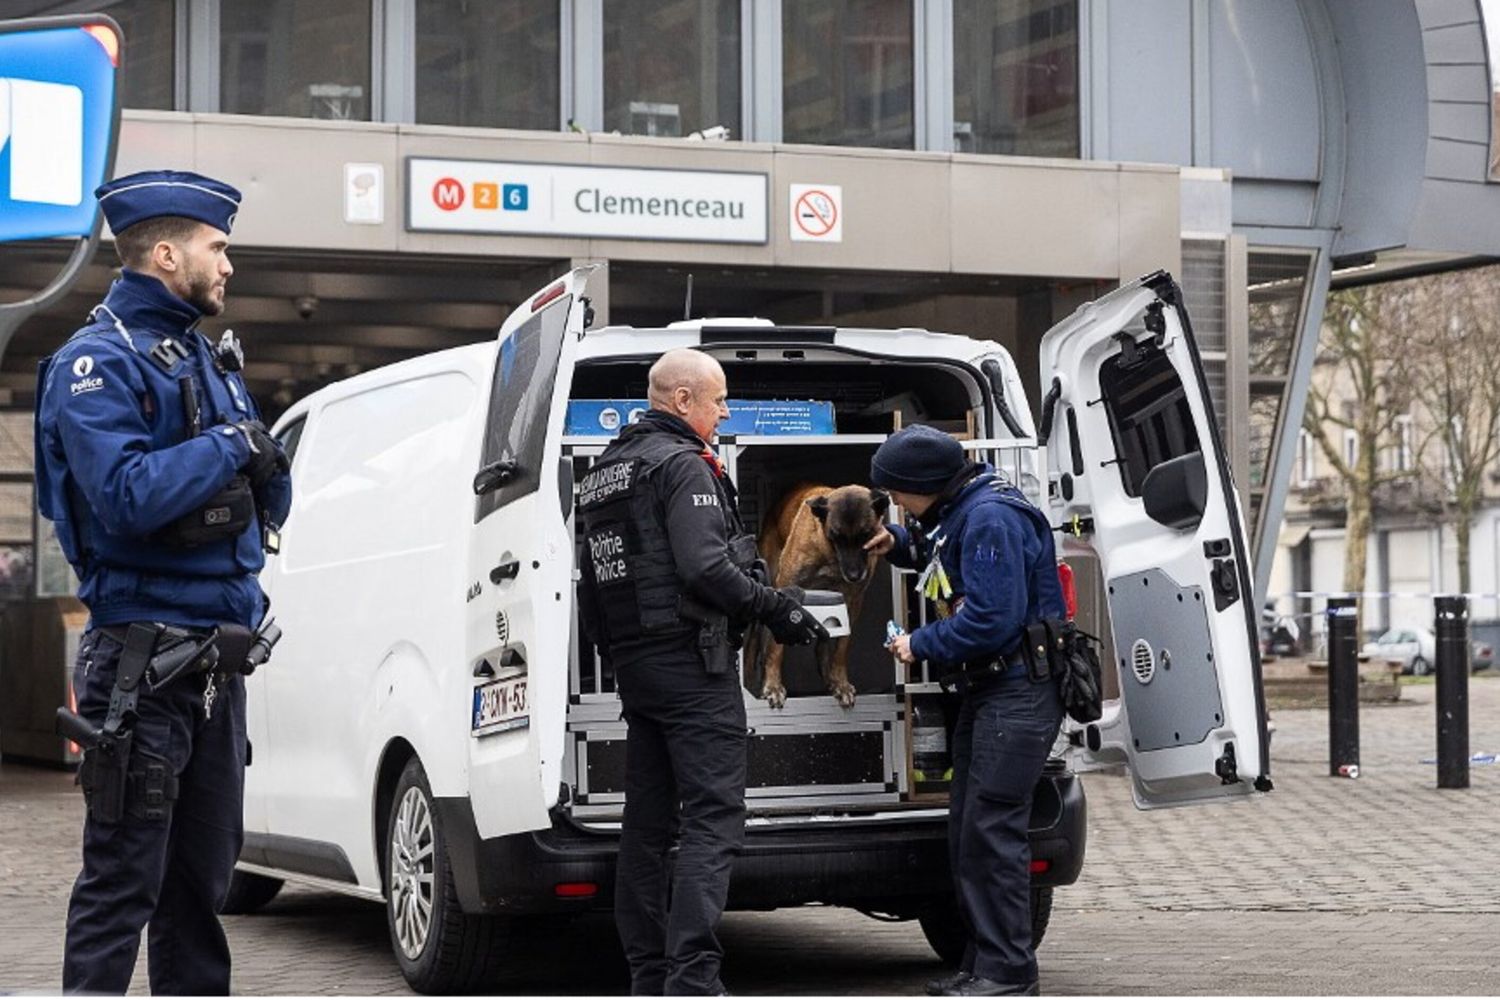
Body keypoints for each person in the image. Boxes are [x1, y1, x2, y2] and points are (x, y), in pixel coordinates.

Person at [35, 170, 292, 995]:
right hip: (141, 670)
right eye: (219, 248)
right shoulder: (93, 363)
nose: (228, 266)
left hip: (215, 669)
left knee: (198, 893)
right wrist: (231, 448)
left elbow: (261, 500)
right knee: (122, 887)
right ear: (168, 252)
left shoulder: (204, 357)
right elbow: (128, 495)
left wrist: (260, 457)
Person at [574, 348, 827, 995]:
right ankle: (692, 984)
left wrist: (619, 654)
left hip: (639, 667)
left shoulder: (606, 470)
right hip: (692, 665)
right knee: (713, 821)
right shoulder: (680, 464)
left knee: (647, 828)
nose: (724, 412)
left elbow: (594, 585)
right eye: (717, 400)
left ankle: (649, 979)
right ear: (681, 400)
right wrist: (781, 612)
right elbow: (706, 569)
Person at [863, 424, 1064, 998]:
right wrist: (898, 544)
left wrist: (917, 645)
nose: (895, 504)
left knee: (992, 829)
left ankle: (1007, 973)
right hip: (993, 690)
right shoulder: (963, 510)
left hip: (1018, 691)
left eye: (897, 493)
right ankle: (983, 964)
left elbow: (990, 620)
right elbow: (940, 557)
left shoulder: (990, 518)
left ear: (921, 482)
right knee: (971, 830)